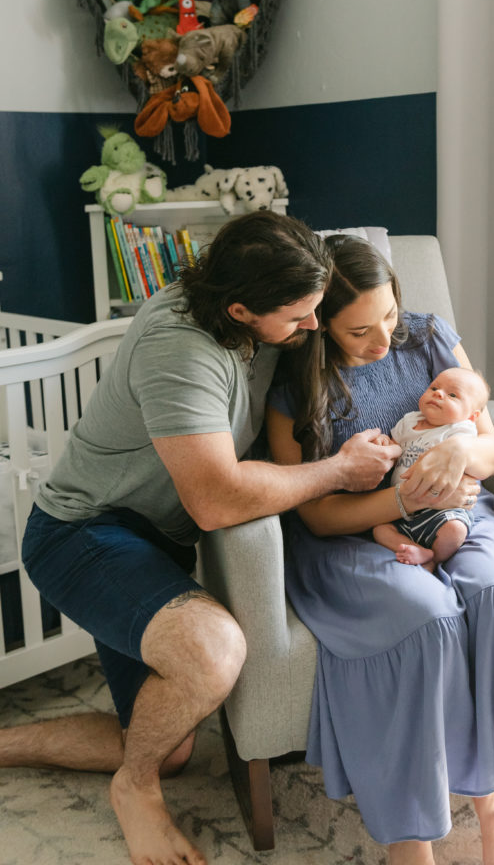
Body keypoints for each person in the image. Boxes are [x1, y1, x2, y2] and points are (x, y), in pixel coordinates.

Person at [0, 212, 400, 865]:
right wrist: (338, 470)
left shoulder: (269, 293)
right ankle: (135, 789)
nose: (310, 327)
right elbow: (215, 500)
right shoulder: (180, 348)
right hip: (83, 532)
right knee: (213, 652)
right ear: (241, 310)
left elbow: (357, 263)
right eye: (299, 317)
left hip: (154, 540)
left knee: (170, 740)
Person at [267, 233, 494, 865]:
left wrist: (457, 451)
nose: (384, 339)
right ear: (319, 326)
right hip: (357, 537)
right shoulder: (296, 388)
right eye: (360, 329)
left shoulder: (428, 337)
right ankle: (409, 838)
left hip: (461, 513)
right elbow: (315, 516)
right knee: (428, 621)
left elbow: (491, 451)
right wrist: (402, 505)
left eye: (389, 314)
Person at [373, 365, 490, 567]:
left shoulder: (460, 431)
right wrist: (385, 444)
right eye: (434, 388)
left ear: (472, 416)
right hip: (400, 508)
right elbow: (395, 447)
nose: (438, 395)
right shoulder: (409, 421)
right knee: (379, 530)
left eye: (452, 395)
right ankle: (417, 550)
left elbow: (468, 458)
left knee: (455, 529)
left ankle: (435, 558)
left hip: (442, 509)